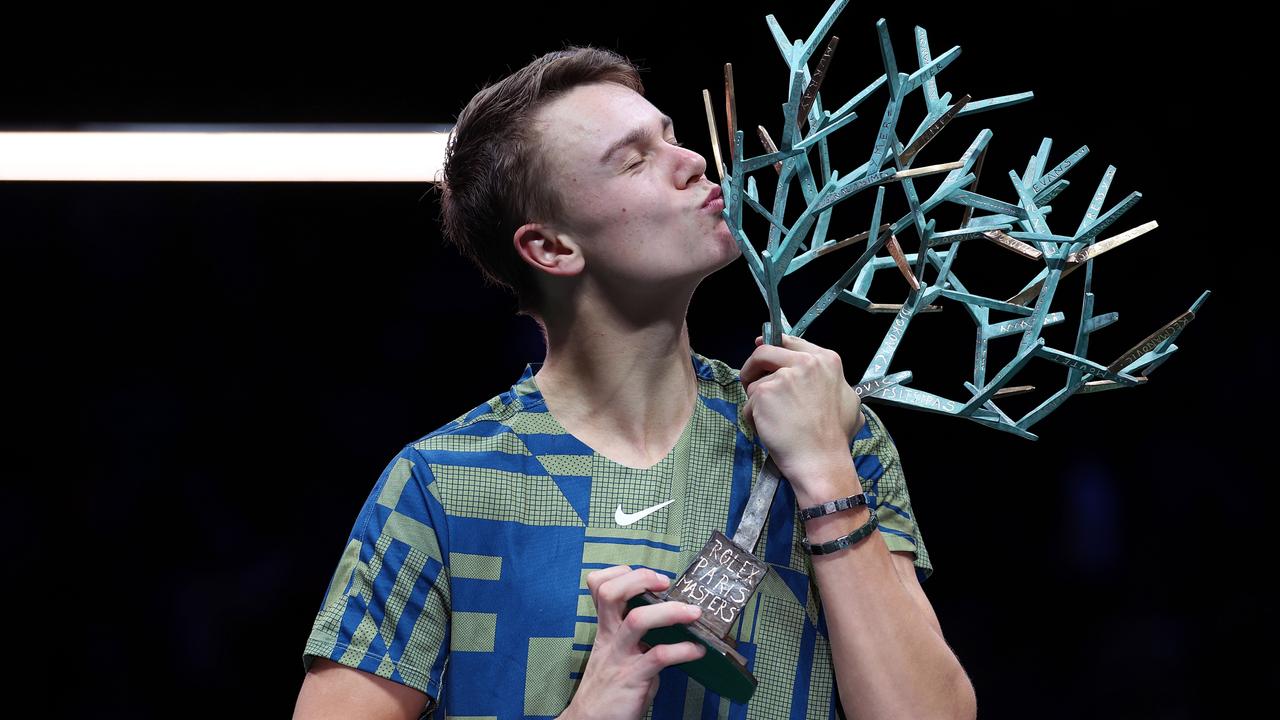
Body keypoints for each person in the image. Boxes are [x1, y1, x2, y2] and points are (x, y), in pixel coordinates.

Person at [293, 45, 976, 720]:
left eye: (671, 135)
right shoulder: (443, 484)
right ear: (552, 248)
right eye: (635, 159)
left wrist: (827, 473)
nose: (694, 162)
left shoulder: (830, 429)